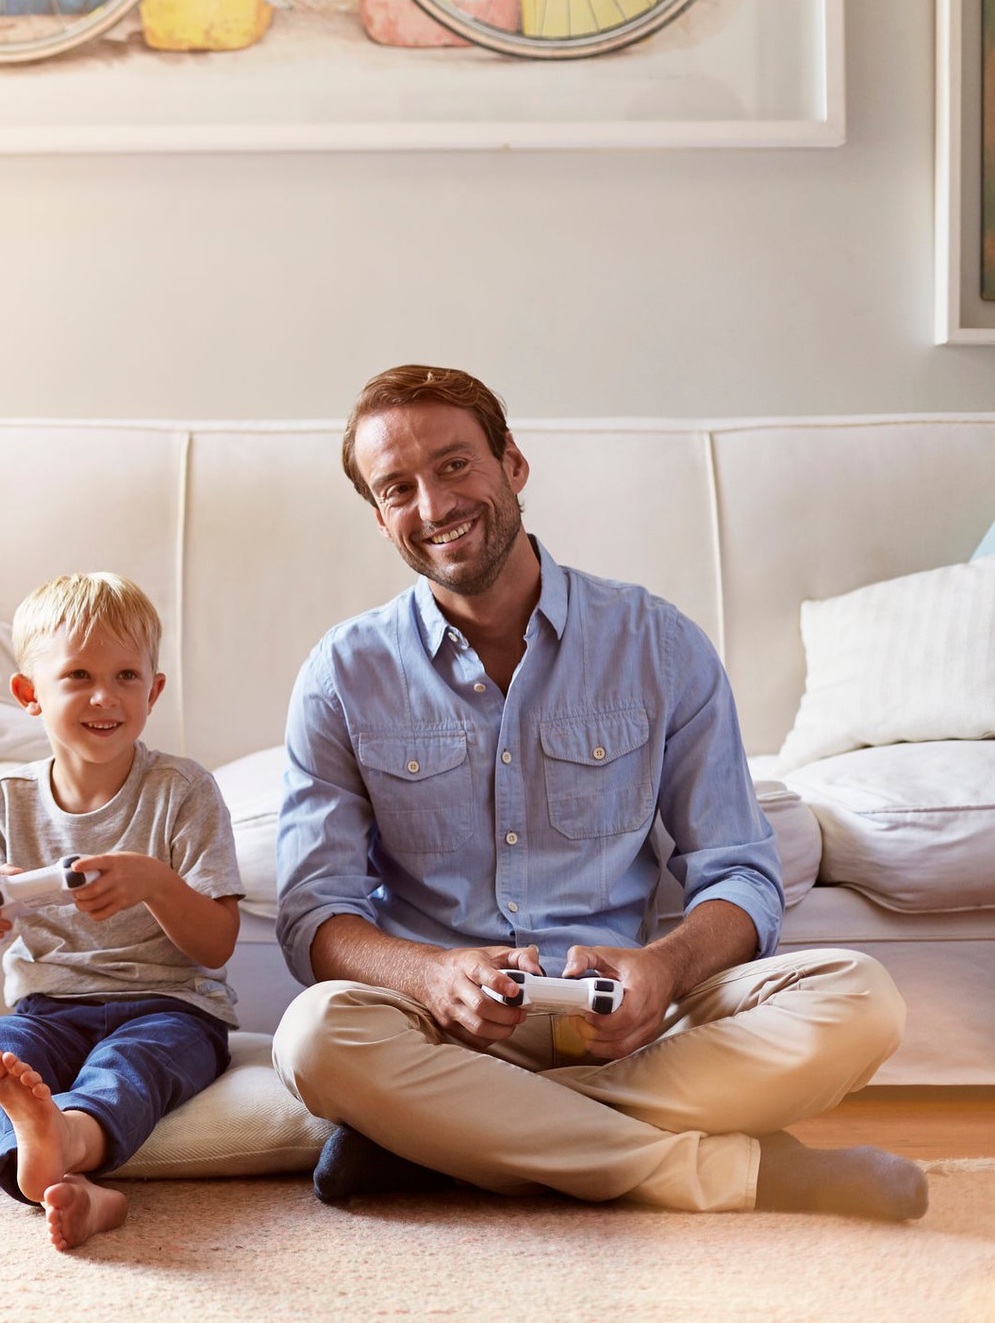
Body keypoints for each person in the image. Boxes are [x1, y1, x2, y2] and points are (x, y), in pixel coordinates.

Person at [272, 364, 926, 1220]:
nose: (434, 505)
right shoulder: (341, 674)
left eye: (455, 464)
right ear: (378, 513)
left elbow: (740, 873)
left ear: (513, 463)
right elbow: (314, 916)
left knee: (862, 998)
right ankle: (730, 1173)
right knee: (314, 1036)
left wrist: (663, 968)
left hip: (626, 1027)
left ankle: (444, 1140)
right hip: (439, 1031)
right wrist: (431, 977)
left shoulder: (659, 645)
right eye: (398, 487)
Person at [0, 572, 244, 1250]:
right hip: (50, 1011)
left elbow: (217, 943)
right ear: (30, 695)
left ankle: (63, 1142)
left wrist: (156, 884)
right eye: (78, 675)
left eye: (127, 675)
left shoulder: (183, 790)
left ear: (153, 691)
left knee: (135, 1059)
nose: (106, 696)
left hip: (170, 1006)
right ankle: (76, 1186)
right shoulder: (8, 800)